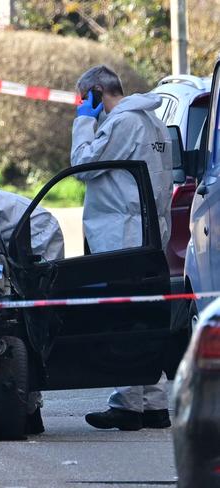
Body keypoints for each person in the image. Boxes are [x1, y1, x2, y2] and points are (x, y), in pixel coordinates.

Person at [71, 65, 173, 431]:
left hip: (123, 236)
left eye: (85, 98)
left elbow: (83, 166)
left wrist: (84, 122)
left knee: (124, 320)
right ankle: (155, 405)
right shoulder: (154, 123)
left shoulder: (122, 123)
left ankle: (128, 405)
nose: (83, 105)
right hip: (149, 235)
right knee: (145, 320)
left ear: (98, 92)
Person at [0, 187, 65, 434]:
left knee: (32, 326)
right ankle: (30, 410)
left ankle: (31, 410)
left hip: (40, 237)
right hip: (25, 240)